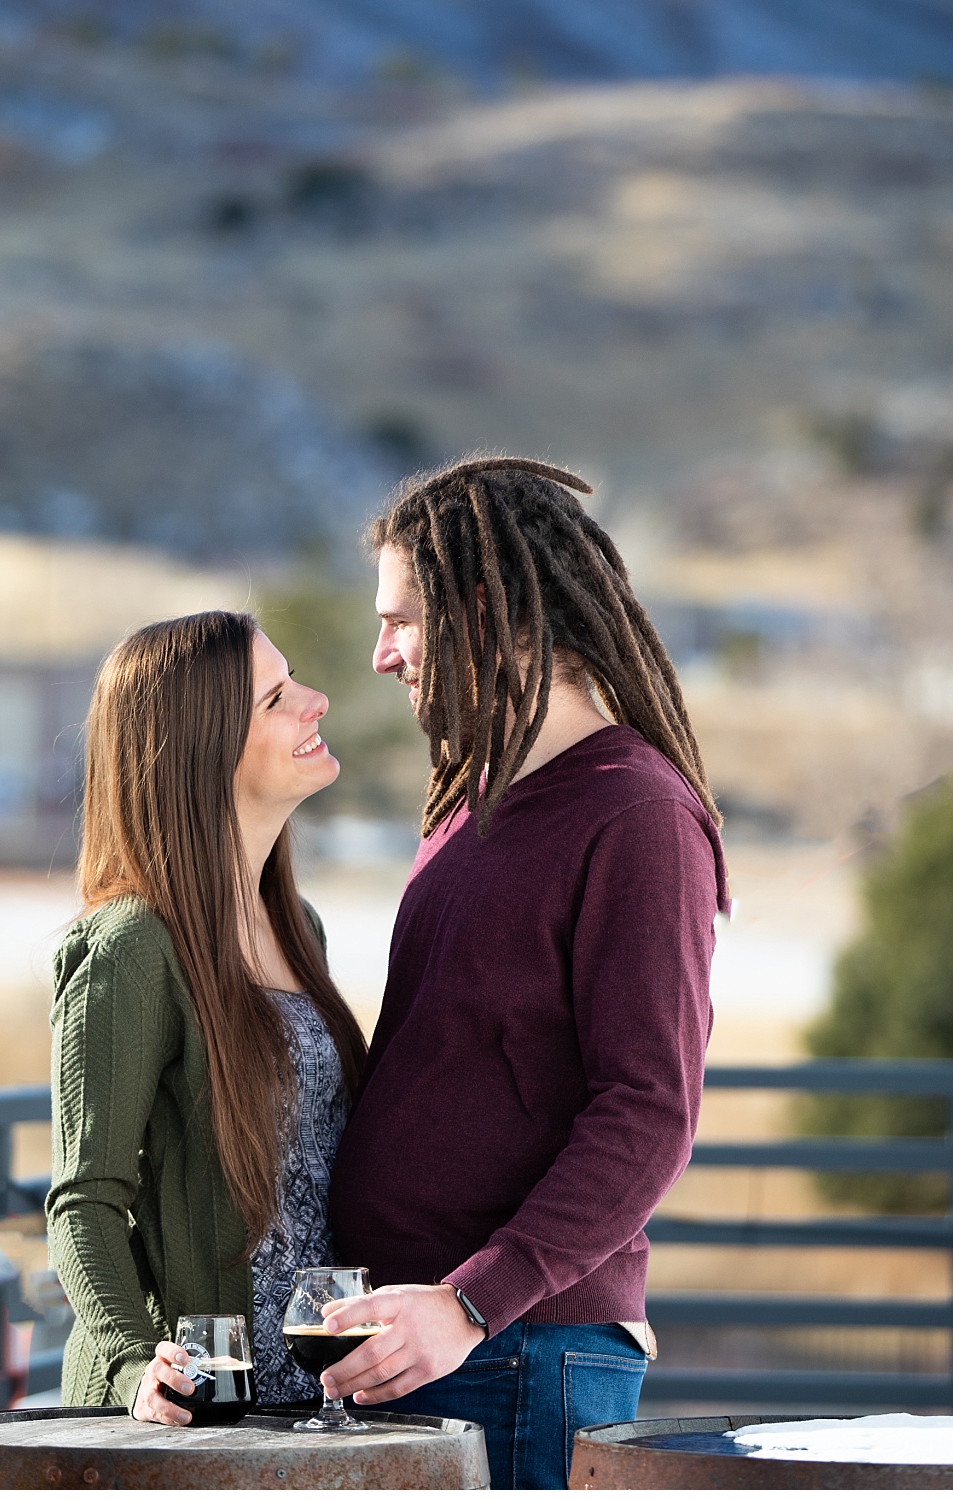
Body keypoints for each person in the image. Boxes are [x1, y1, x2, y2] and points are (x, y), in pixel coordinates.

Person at [323, 457, 730, 1489]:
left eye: (404, 620)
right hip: (426, 1350)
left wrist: (470, 1303)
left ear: (491, 610)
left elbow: (648, 1108)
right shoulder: (475, 801)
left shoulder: (635, 814)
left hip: (513, 1359)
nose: (382, 654)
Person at [47, 611, 368, 1420]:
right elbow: (84, 1200)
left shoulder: (301, 924)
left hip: (309, 1395)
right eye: (275, 699)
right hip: (193, 1409)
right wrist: (132, 1368)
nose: (316, 701)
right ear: (203, 748)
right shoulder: (129, 947)